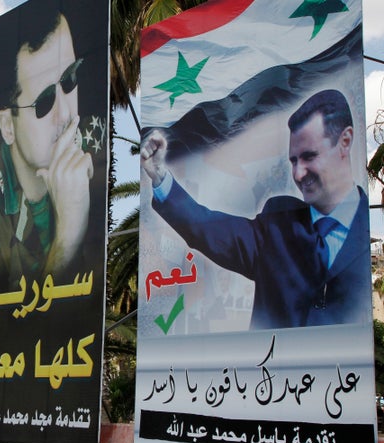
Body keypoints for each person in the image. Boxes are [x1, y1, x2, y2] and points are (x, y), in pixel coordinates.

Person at [140, 89, 370, 330]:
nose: (299, 174)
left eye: (310, 157)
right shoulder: (278, 224)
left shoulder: (368, 227)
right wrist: (160, 178)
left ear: (345, 142)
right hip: (269, 366)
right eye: (294, 161)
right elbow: (206, 227)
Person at [0, 7, 94, 289]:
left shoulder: (95, 153)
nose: (66, 114)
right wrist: (68, 233)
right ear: (8, 126)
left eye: (68, 81)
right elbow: (19, 324)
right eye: (44, 102)